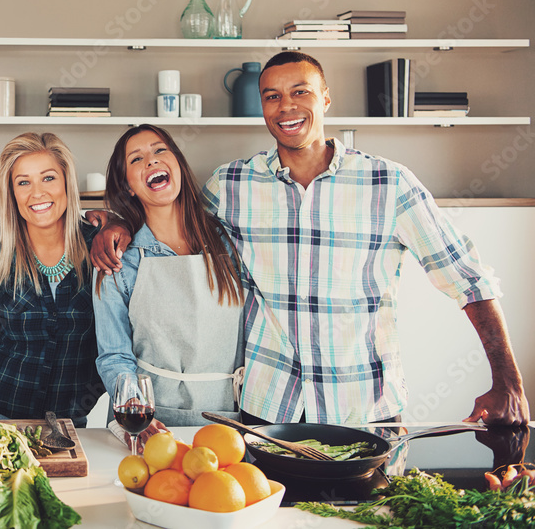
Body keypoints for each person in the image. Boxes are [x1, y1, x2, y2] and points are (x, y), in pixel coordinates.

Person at [93, 51, 529, 426]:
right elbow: (170, 217)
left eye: (300, 91)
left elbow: (468, 279)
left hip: (364, 408)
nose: (287, 107)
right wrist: (116, 223)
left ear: (325, 98)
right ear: (262, 108)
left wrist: (507, 380)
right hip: (267, 409)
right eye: (272, 96)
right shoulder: (231, 185)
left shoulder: (389, 183)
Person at [93, 125, 245, 433]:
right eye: (136, 159)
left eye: (160, 150)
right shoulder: (118, 260)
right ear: (128, 188)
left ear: (178, 164)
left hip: (226, 415)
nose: (151, 161)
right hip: (150, 417)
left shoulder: (228, 241)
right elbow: (114, 355)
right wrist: (133, 409)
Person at [0, 133, 103, 427]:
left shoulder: (98, 247)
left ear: (67, 182)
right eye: (23, 182)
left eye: (48, 178)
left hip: (70, 420)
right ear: (11, 192)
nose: (37, 193)